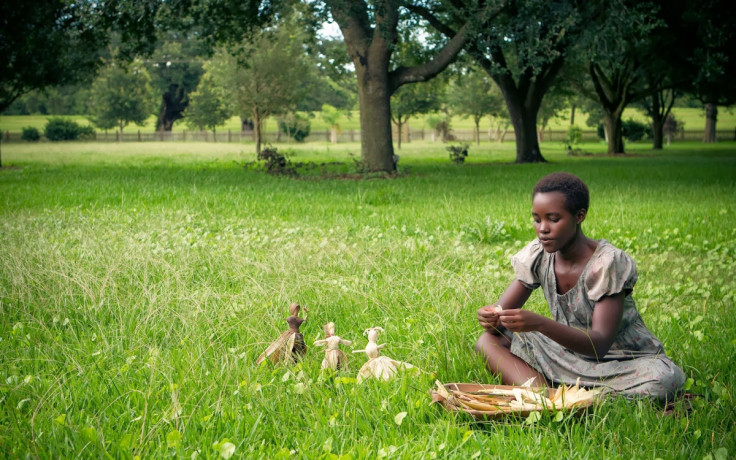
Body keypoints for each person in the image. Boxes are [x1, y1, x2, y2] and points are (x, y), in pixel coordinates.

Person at [475, 172, 685, 402]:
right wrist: (491, 317)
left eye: (553, 219)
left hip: (622, 362)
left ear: (579, 216)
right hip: (567, 354)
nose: (543, 228)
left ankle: (567, 394)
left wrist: (540, 323)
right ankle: (546, 398)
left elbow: (600, 345)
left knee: (664, 380)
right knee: (488, 342)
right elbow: (498, 320)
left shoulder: (606, 264)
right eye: (537, 219)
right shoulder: (539, 255)